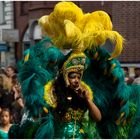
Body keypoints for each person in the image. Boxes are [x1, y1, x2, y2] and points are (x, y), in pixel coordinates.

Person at [9, 1, 140, 139]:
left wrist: (88, 100)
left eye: (78, 76)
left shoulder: (85, 91)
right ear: (65, 76)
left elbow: (98, 118)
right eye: (72, 76)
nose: (76, 79)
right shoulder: (53, 91)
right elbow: (42, 115)